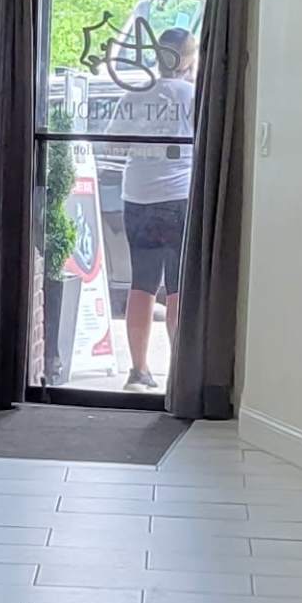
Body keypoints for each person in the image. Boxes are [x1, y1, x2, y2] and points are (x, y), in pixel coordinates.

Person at [114, 23, 197, 387]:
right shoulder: (191, 96)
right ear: (188, 59)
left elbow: (114, 144)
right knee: (178, 286)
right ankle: (178, 373)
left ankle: (138, 370)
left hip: (137, 197)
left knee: (142, 283)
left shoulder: (133, 95)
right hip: (178, 197)